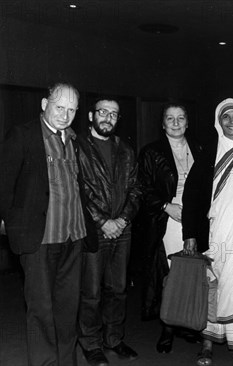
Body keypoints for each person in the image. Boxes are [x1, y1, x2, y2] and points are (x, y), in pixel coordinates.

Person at [0, 82, 88, 366]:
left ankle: (66, 361)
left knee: (67, 309)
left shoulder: (75, 139)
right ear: (44, 104)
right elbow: (4, 185)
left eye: (71, 110)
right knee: (41, 310)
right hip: (39, 239)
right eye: (59, 107)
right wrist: (10, 225)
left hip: (73, 238)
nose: (64, 115)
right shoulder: (23, 135)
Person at [182, 98, 233, 365]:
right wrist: (190, 234)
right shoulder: (209, 154)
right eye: (225, 117)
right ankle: (207, 344)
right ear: (218, 121)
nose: (231, 122)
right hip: (215, 233)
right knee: (213, 286)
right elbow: (192, 196)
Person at [76, 97, 142, 365]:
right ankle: (90, 344)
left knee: (118, 289)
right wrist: (103, 221)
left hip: (122, 230)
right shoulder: (77, 146)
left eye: (113, 114)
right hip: (93, 229)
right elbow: (79, 190)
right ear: (91, 115)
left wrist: (123, 220)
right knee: (91, 292)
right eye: (103, 112)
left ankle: (113, 339)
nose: (108, 118)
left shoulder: (125, 150)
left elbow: (136, 189)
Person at [137, 103, 204, 353]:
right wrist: (166, 205)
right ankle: (167, 328)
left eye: (181, 118)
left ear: (187, 122)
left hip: (196, 217)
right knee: (170, 275)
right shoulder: (151, 152)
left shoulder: (200, 148)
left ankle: (187, 323)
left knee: (192, 271)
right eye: (170, 118)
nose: (175, 123)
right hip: (169, 217)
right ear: (163, 123)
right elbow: (142, 188)